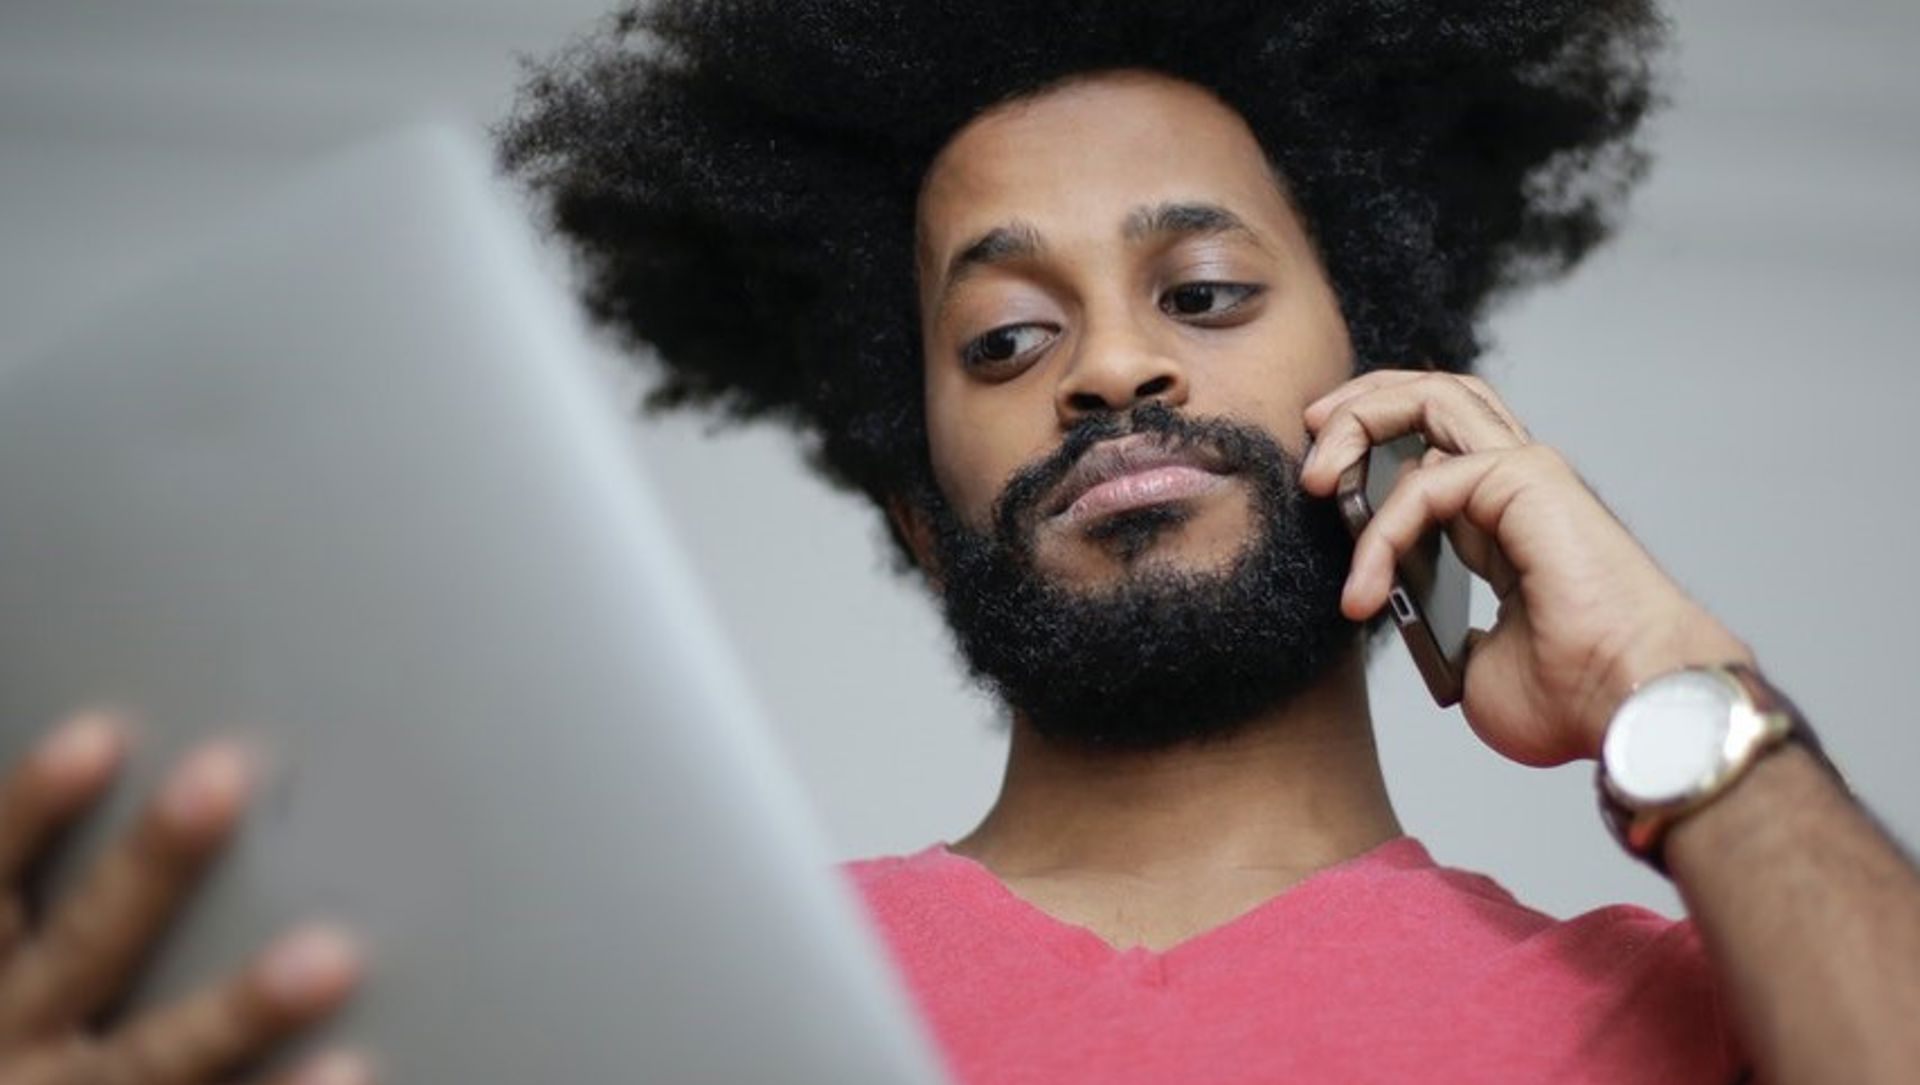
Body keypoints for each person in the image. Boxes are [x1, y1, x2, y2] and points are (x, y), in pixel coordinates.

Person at [0, 3, 1912, 1083]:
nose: (1111, 368)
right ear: (920, 509)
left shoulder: (1688, 1013)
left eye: (1206, 290)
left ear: (1394, 402)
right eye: (1007, 339)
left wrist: (1679, 693)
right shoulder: (647, 995)